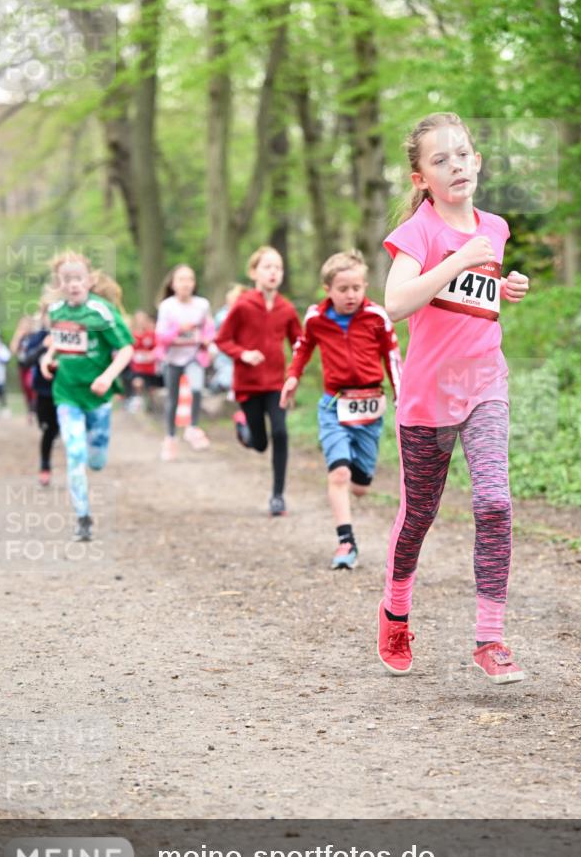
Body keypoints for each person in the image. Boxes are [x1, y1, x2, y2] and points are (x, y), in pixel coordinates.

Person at [379, 111, 530, 683]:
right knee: (419, 514)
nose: (456, 165)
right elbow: (394, 305)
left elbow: (479, 297)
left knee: (494, 502)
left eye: (463, 154)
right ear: (421, 178)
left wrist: (504, 286)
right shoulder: (419, 232)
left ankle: (490, 639)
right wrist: (457, 263)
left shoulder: (494, 226)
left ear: (478, 161)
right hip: (428, 393)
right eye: (441, 160)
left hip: (485, 382)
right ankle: (395, 611)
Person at [281, 250, 402, 569]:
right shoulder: (316, 319)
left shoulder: (377, 317)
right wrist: (293, 377)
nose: (351, 295)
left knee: (360, 486)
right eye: (343, 289)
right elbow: (303, 346)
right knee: (339, 473)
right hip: (334, 405)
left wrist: (400, 394)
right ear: (328, 290)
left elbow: (392, 355)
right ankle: (346, 542)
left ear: (364, 287)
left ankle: (352, 482)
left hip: (369, 406)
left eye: (357, 288)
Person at [39, 251, 133, 541]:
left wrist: (107, 376)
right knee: (74, 453)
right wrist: (48, 358)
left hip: (99, 397)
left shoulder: (102, 311)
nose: (73, 284)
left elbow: (127, 349)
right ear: (59, 283)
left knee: (96, 460)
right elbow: (58, 338)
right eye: (66, 280)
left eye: (78, 278)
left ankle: (97, 454)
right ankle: (83, 517)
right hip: (66, 393)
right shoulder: (56, 311)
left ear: (89, 281)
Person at [215, 246, 301, 516]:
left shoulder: (287, 308)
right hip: (248, 384)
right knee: (261, 443)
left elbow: (299, 343)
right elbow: (222, 340)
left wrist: (294, 375)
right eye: (267, 267)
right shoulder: (242, 305)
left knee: (281, 433)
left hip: (276, 383)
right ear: (254, 272)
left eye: (278, 267)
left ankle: (277, 495)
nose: (273, 272)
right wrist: (243, 354)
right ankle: (245, 429)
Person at [155, 264, 214, 458]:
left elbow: (209, 329)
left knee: (197, 389)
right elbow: (161, 336)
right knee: (173, 398)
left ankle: (192, 428)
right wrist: (180, 329)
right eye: (181, 279)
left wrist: (206, 340)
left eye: (190, 279)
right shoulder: (167, 306)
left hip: (193, 356)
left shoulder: (202, 304)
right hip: (171, 358)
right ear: (173, 284)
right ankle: (170, 439)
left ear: (194, 283)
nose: (186, 283)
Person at [23, 302, 59, 486]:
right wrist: (43, 348)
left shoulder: (75, 334)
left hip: (68, 391)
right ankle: (45, 465)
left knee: (61, 429)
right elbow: (25, 362)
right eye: (48, 315)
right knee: (47, 430)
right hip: (44, 391)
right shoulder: (38, 337)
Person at [208, 284, 244, 397]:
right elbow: (216, 335)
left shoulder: (245, 313)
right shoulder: (222, 316)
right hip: (224, 355)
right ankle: (215, 384)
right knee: (227, 378)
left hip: (240, 354)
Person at [128, 309, 162, 413]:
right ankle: (137, 400)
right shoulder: (131, 335)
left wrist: (152, 355)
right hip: (137, 366)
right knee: (138, 382)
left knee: (151, 387)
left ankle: (151, 405)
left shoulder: (151, 334)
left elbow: (157, 347)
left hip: (150, 366)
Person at [10, 314, 37, 420]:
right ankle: (30, 410)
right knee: (26, 389)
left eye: (27, 324)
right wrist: (18, 336)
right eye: (22, 324)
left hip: (33, 365)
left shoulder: (35, 336)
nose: (25, 326)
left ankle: (34, 407)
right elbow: (13, 350)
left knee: (30, 384)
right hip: (22, 365)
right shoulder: (20, 337)